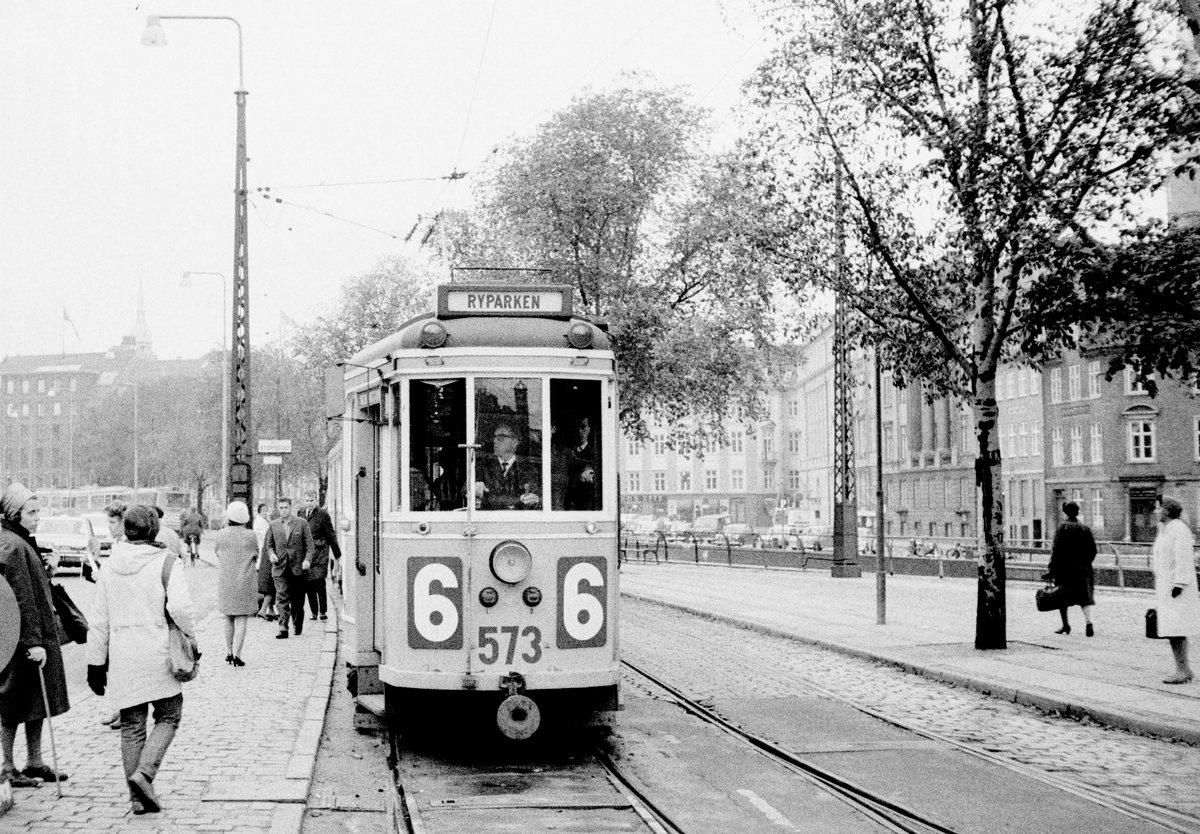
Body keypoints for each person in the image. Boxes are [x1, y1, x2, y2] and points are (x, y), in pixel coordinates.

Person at [86, 505, 196, 815]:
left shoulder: (109, 567)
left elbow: (99, 620)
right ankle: (144, 774)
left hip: (123, 654)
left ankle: (136, 799)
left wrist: (96, 663)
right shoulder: (167, 563)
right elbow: (182, 609)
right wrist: (192, 639)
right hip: (158, 651)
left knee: (132, 725)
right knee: (170, 714)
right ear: (154, 531)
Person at [0, 483, 70, 790]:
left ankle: (34, 761)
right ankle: (7, 767)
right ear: (15, 513)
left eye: (38, 511)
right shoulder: (13, 545)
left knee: (35, 701)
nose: (37, 517)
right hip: (24, 640)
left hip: (26, 636)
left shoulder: (17, 540)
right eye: (32, 512)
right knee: (13, 703)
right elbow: (21, 598)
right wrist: (34, 642)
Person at [1152, 497, 1200, 685]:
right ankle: (1183, 668)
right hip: (1167, 586)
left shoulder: (1179, 529)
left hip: (1176, 588)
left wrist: (1179, 584)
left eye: (1158, 509)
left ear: (1166, 510)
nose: (1155, 512)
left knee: (1177, 628)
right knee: (1172, 629)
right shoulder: (1165, 530)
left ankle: (1183, 670)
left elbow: (1184, 558)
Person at [212, 501, 258, 666]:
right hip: (245, 581)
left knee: (228, 617)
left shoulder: (220, 535)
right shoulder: (251, 535)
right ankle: (238, 654)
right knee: (241, 618)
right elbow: (255, 554)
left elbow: (216, 552)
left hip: (226, 581)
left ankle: (229, 651)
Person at [261, 497, 314, 638]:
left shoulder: (302, 524)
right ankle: (283, 627)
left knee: (298, 600)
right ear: (278, 509)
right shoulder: (273, 525)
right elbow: (269, 545)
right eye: (281, 508)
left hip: (298, 568)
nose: (283, 510)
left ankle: (297, 623)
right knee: (281, 597)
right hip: (280, 568)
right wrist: (271, 554)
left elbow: (310, 546)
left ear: (290, 508)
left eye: (285, 507)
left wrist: (307, 560)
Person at [1045, 501, 1097, 636]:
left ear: (1065, 513)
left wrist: (1051, 568)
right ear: (1077, 512)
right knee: (1084, 597)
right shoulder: (1084, 528)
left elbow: (1055, 551)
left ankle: (1065, 625)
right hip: (1082, 570)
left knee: (1062, 597)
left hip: (1064, 569)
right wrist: (1085, 563)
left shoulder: (1062, 528)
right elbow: (1093, 550)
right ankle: (1088, 622)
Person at [475, 421, 541, 510]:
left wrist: (487, 495)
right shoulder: (484, 466)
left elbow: (533, 497)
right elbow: (465, 489)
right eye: (494, 437)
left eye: (500, 437)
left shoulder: (527, 469)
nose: (495, 441)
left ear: (515, 442)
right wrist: (475, 487)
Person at [298, 491, 340, 622]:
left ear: (316, 500)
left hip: (321, 552)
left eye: (311, 501)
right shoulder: (300, 513)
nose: (309, 504)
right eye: (307, 501)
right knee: (309, 582)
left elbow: (331, 535)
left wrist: (337, 555)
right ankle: (314, 611)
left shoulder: (323, 515)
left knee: (320, 581)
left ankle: (323, 611)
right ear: (304, 501)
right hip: (307, 554)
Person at [253, 503, 276, 621]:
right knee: (270, 585)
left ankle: (270, 610)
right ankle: (263, 610)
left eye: (267, 511)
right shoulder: (260, 523)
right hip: (265, 556)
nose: (265, 513)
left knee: (269, 585)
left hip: (265, 556)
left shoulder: (266, 522)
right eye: (263, 511)